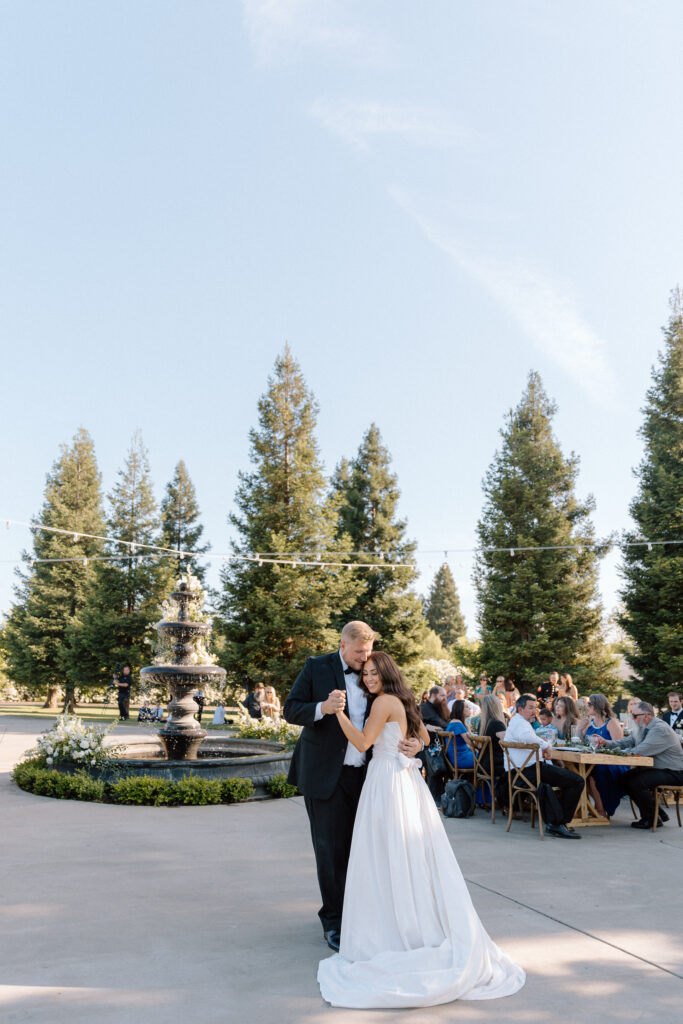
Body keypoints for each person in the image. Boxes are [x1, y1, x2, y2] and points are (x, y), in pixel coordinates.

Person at [317, 651, 525, 1008]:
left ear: (384, 673)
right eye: (364, 673)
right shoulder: (400, 699)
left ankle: (393, 927)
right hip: (403, 780)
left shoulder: (383, 702)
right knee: (405, 852)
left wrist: (336, 713)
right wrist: (416, 743)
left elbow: (364, 743)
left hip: (385, 779)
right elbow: (425, 739)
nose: (368, 678)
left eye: (372, 672)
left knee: (385, 851)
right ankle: (408, 915)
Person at [283, 622, 423, 954]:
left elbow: (405, 716)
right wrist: (322, 708)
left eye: (369, 650)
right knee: (330, 851)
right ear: (343, 645)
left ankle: (363, 915)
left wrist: (417, 744)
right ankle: (333, 922)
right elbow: (291, 709)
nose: (364, 657)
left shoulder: (375, 673)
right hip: (324, 776)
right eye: (359, 652)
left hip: (370, 779)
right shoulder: (316, 667)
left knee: (366, 849)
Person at [504, 694, 584, 839]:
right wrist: (546, 746)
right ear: (520, 709)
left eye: (535, 707)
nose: (534, 711)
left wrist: (542, 748)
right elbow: (526, 737)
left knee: (569, 779)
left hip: (520, 772)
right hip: (528, 772)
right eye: (530, 708)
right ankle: (558, 823)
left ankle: (558, 822)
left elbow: (529, 739)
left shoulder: (518, 721)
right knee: (577, 781)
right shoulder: (519, 723)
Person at [592, 700, 683, 829]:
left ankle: (651, 819)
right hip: (658, 768)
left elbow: (639, 751)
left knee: (636, 782)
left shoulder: (659, 729)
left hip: (674, 771)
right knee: (623, 778)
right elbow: (627, 741)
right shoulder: (641, 726)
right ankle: (656, 813)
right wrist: (607, 743)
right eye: (631, 715)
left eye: (634, 715)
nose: (632, 718)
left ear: (646, 715)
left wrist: (613, 753)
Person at [582, 694, 626, 818]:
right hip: (592, 760)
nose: (587, 706)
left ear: (598, 705)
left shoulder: (611, 722)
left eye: (590, 704)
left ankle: (601, 809)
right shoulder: (589, 723)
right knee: (578, 774)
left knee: (593, 773)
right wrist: (580, 728)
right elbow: (580, 743)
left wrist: (603, 746)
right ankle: (588, 808)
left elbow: (619, 746)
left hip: (611, 762)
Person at [444, 700, 475, 770]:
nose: (469, 709)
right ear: (461, 710)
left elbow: (468, 745)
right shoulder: (457, 723)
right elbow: (471, 742)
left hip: (459, 757)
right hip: (461, 759)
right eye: (467, 707)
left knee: (486, 758)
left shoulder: (455, 722)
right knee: (487, 759)